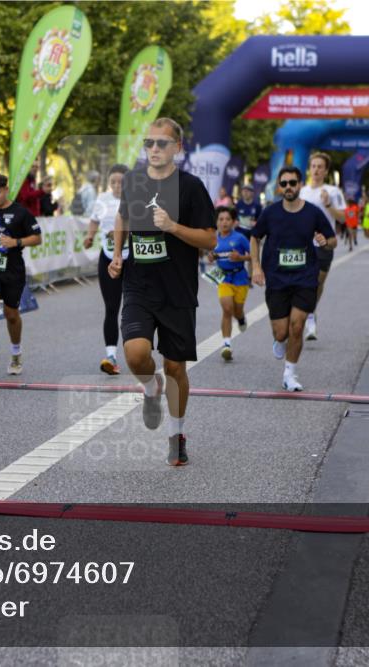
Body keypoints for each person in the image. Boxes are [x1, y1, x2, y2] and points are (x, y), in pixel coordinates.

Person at [109, 117, 216, 467]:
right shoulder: (134, 181)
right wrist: (117, 254)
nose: (153, 149)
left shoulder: (191, 187)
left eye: (161, 143)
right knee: (136, 353)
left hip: (177, 289)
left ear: (177, 148)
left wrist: (172, 227)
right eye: (149, 143)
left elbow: (210, 239)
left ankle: (176, 434)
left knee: (174, 366)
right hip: (139, 285)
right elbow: (123, 217)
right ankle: (149, 387)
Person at [250, 166, 336, 392]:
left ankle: (289, 374)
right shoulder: (270, 213)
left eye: (292, 183)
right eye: (284, 183)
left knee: (297, 327)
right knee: (281, 332)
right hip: (277, 279)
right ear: (280, 187)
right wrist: (256, 266)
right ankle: (280, 340)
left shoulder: (313, 213)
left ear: (300, 185)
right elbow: (255, 237)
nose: (288, 187)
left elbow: (332, 240)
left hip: (305, 278)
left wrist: (325, 242)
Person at [0, 172, 42, 377]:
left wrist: (16, 242)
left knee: (12, 315)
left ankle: (16, 353)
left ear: (6, 190)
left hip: (13, 269)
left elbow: (37, 238)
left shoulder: (20, 212)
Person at [83, 164, 129, 375]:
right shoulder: (102, 199)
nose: (117, 186)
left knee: (134, 307)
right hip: (108, 258)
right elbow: (94, 220)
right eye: (113, 182)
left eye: (121, 182)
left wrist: (122, 234)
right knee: (111, 307)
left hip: (131, 258)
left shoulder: (136, 200)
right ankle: (111, 356)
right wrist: (90, 236)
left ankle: (139, 352)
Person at [298, 152, 345, 341]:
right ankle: (308, 315)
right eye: (313, 166)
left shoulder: (333, 192)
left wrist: (328, 204)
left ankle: (310, 312)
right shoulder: (301, 191)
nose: (316, 170)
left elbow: (343, 218)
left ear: (326, 171)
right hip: (302, 244)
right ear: (309, 169)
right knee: (303, 282)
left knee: (317, 283)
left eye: (320, 167)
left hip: (325, 243)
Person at [206, 206, 251, 361]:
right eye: (221, 219)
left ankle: (241, 318)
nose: (224, 222)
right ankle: (226, 345)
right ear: (216, 222)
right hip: (223, 278)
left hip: (240, 278)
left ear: (233, 222)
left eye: (227, 219)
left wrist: (241, 258)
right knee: (227, 309)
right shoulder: (213, 239)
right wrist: (211, 257)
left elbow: (253, 255)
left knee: (237, 311)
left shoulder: (240, 238)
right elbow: (210, 255)